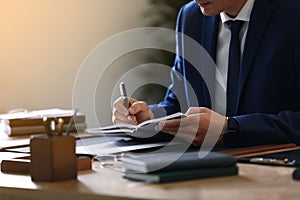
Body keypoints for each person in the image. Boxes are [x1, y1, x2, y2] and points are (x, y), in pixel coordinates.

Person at [112, 0, 300, 147]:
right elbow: (179, 103)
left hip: (277, 169)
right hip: (208, 168)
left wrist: (230, 128)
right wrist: (150, 118)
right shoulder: (191, 17)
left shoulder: (292, 14)